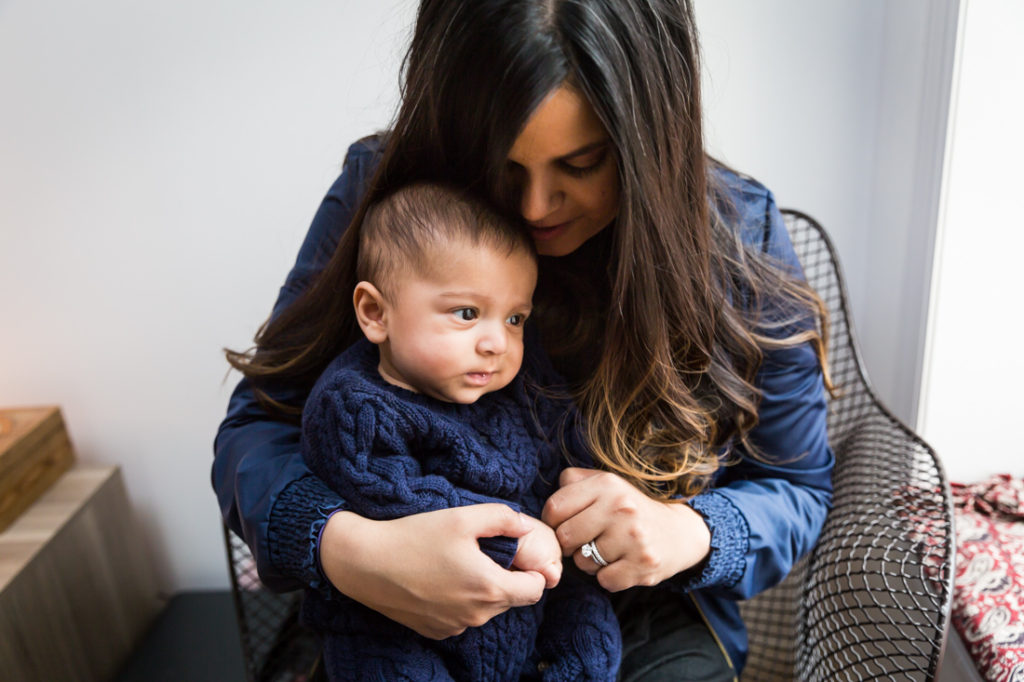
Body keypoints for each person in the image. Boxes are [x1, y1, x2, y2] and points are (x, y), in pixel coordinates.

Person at [214, 1, 835, 679]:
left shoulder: (738, 234)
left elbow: (795, 485)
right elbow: (256, 429)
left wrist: (691, 531)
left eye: (583, 163)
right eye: (504, 167)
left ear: (650, 136)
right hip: (392, 609)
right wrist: (351, 551)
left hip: (639, 616)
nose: (537, 207)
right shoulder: (386, 197)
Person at [300, 182, 621, 680]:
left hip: (533, 599)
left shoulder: (516, 380)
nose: (497, 342)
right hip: (404, 626)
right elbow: (394, 503)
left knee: (592, 629)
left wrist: (605, 481)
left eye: (515, 318)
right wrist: (512, 541)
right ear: (375, 313)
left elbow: (567, 435)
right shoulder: (356, 403)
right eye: (467, 314)